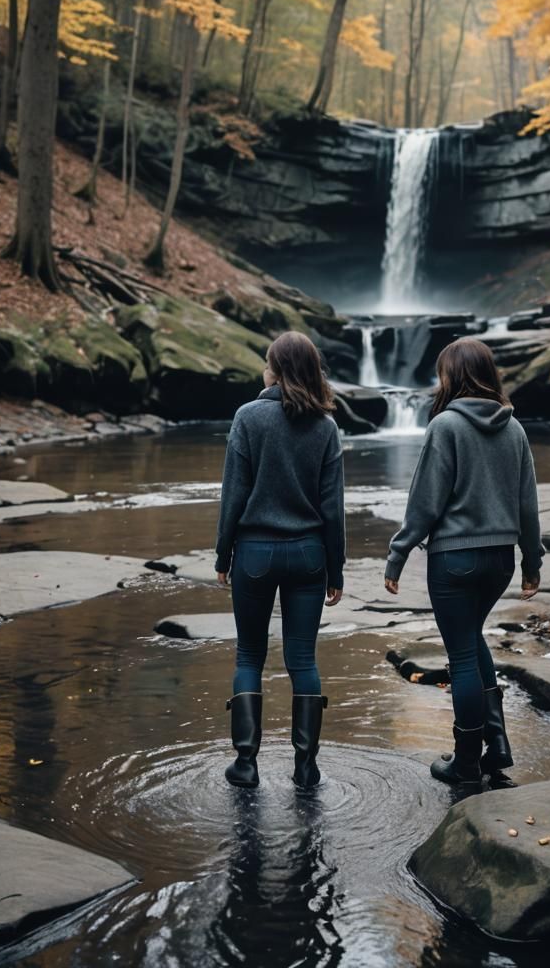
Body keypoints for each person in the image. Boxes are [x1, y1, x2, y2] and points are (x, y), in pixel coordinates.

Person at [383, 338, 543, 786]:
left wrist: (398, 554)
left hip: (454, 559)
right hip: (500, 561)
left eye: (441, 373)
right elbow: (527, 505)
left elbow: (425, 502)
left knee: (461, 655)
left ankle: (467, 760)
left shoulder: (446, 426)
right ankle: (499, 747)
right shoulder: (515, 429)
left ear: (452, 376)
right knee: (472, 640)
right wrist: (532, 561)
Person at [215, 331, 346, 790]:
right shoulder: (326, 426)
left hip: (254, 552)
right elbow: (333, 506)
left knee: (249, 653)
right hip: (309, 554)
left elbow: (234, 494)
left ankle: (246, 764)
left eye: (267, 362)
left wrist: (222, 553)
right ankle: (305, 767)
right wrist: (337, 566)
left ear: (276, 370)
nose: (263, 369)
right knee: (302, 659)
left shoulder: (248, 417)